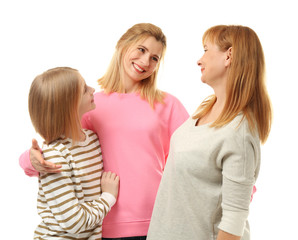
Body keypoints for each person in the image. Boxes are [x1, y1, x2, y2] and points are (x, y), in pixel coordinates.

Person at [19, 23, 189, 239]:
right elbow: (54, 147)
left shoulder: (168, 104)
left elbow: (197, 154)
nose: (146, 62)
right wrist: (29, 160)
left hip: (158, 219)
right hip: (102, 224)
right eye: (142, 49)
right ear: (122, 46)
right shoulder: (91, 104)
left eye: (155, 58)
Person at [147, 25, 272, 240]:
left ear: (228, 56)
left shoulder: (238, 132)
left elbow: (234, 221)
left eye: (206, 50)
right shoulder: (204, 109)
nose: (199, 60)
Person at [27, 67, 119, 239]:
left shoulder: (91, 139)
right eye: (84, 89)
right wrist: (108, 197)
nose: (92, 90)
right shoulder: (55, 156)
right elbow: (74, 222)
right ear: (68, 105)